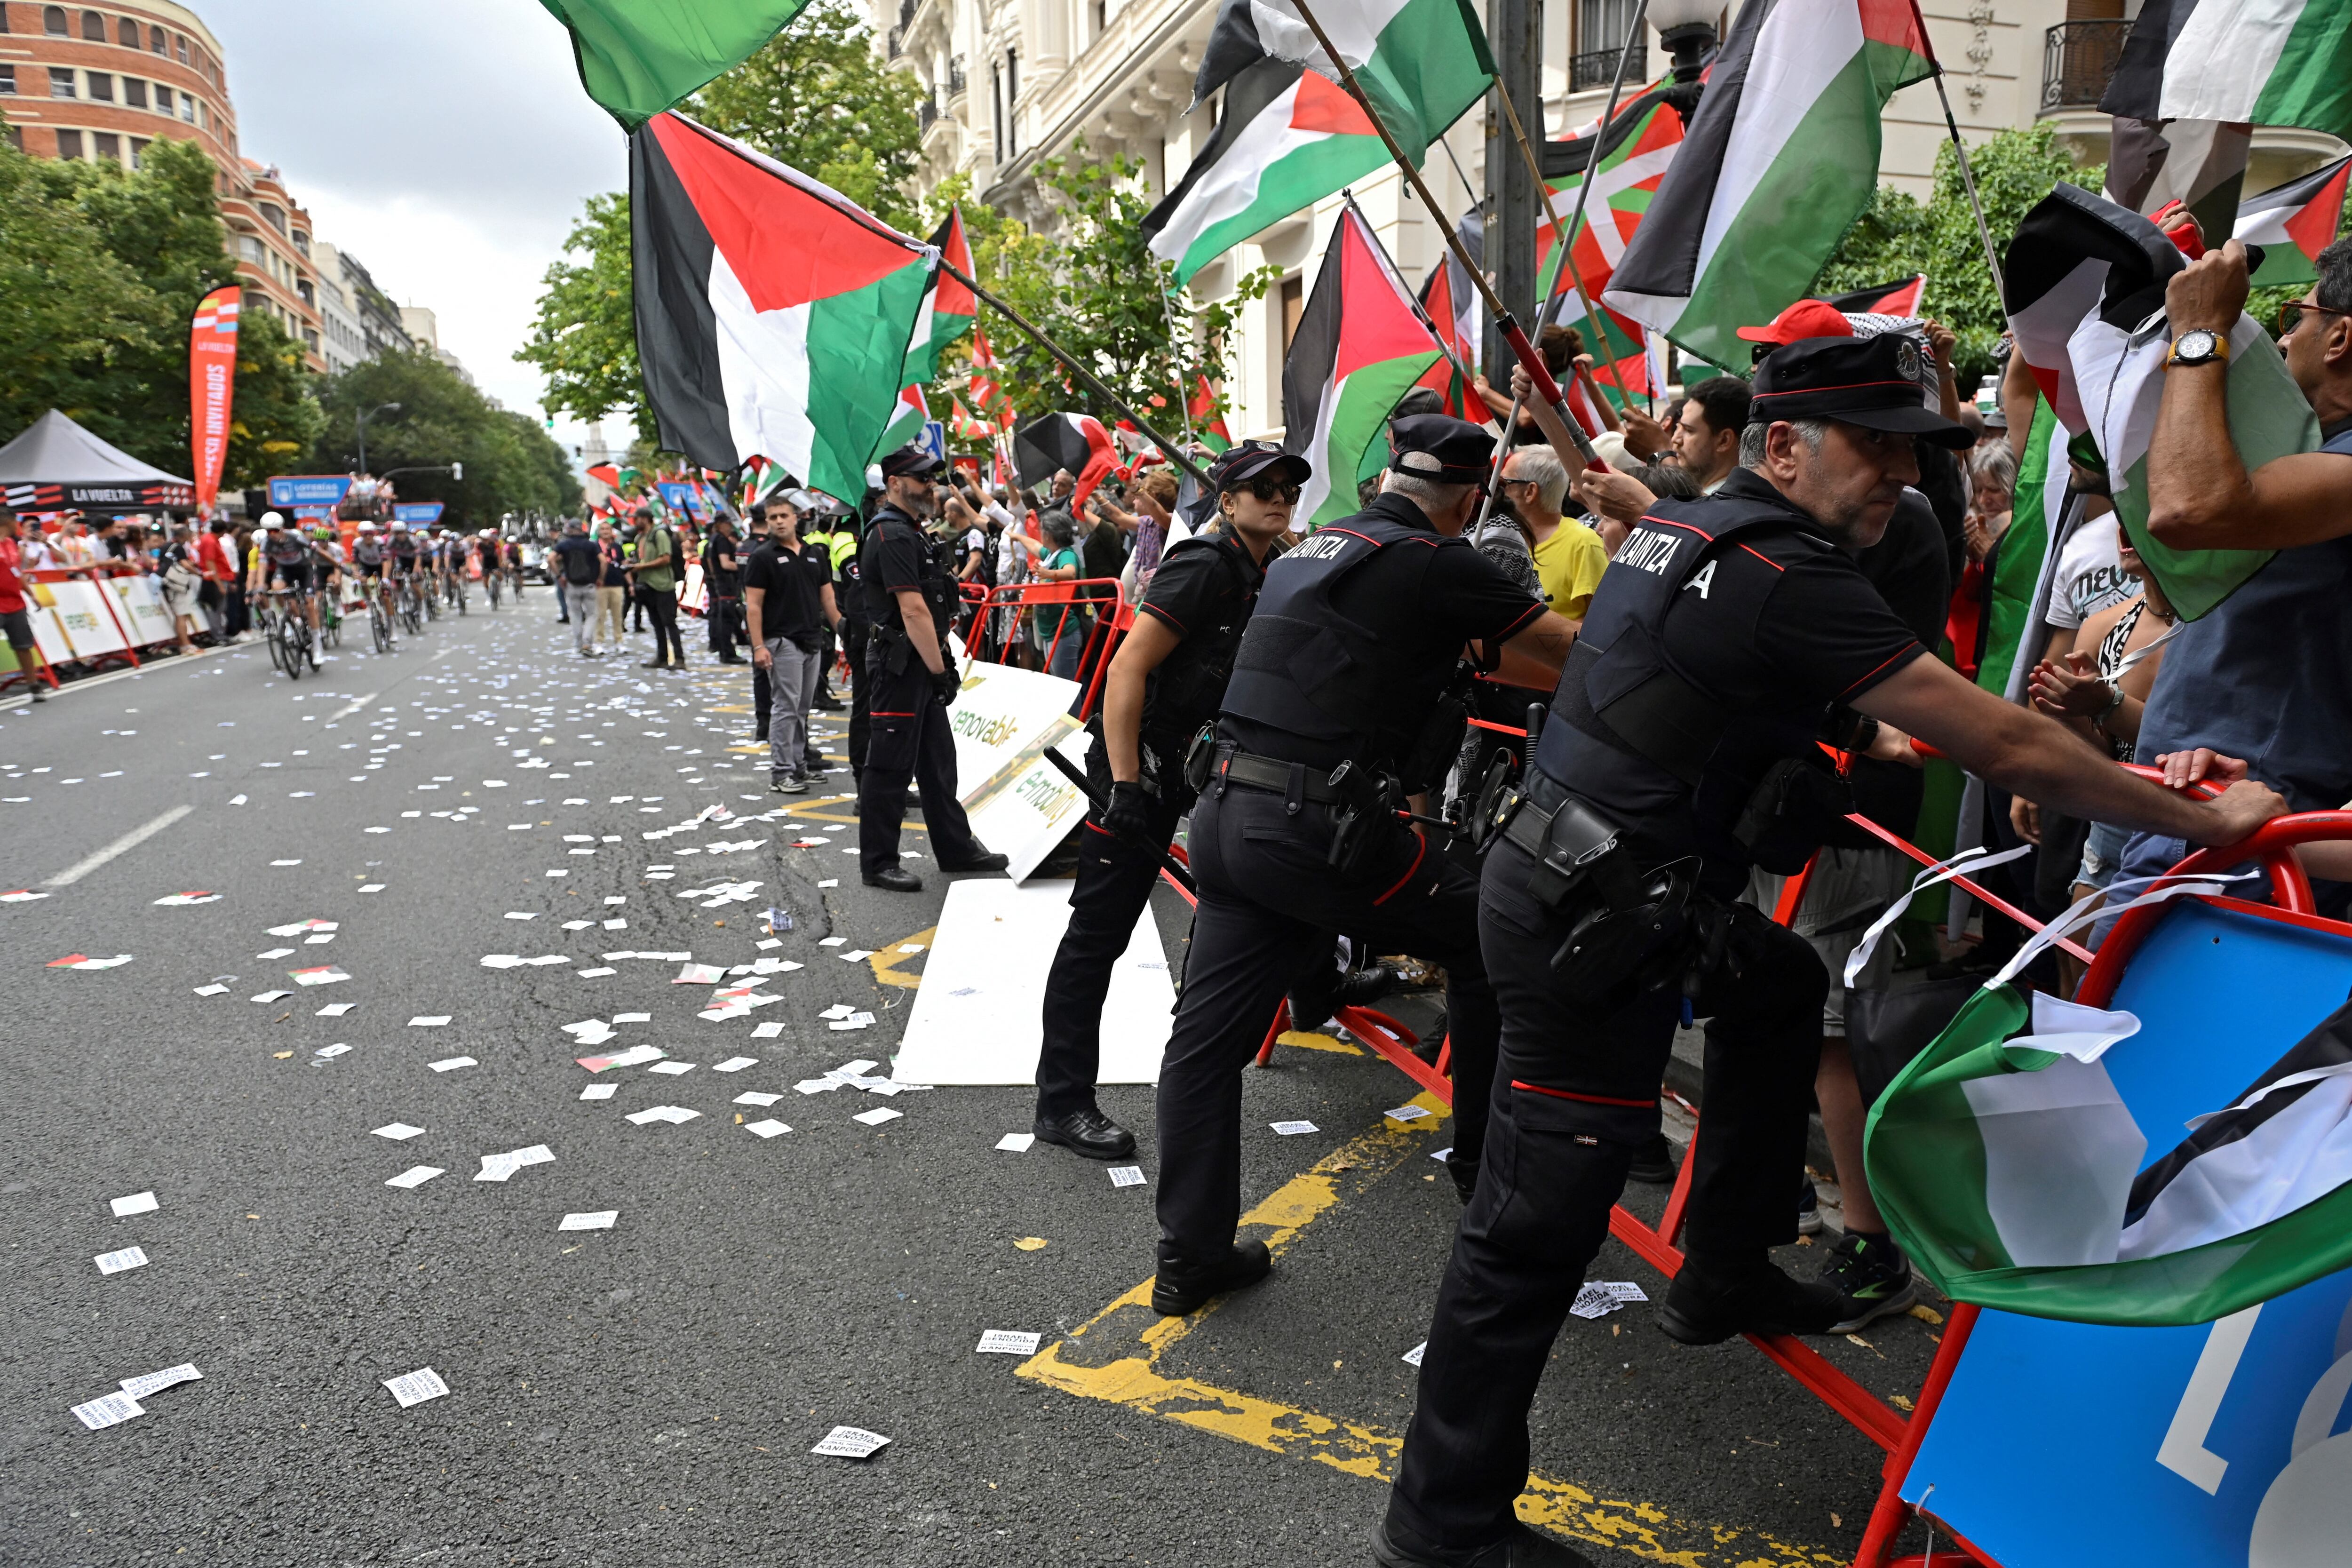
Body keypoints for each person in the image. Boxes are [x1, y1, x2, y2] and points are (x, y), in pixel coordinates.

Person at [1371, 334, 2287, 1568]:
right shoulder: (1782, 566)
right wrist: (2201, 815)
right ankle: (1443, 1522)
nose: (1900, 479)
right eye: (1874, 446)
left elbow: (1693, 681)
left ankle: (1728, 1264)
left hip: (1603, 884)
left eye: (1915, 453)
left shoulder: (1686, 528)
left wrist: (1828, 751)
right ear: (1786, 445)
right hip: (1594, 921)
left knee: (1781, 983)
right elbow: (2003, 745)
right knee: (1534, 1222)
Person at [1150, 413, 1580, 1319]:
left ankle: (1189, 1255)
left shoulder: (1316, 548)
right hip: (1316, 831)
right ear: (1468, 500)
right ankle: (1484, 1176)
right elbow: (1570, 654)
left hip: (1226, 816)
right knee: (1489, 925)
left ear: (1389, 477)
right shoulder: (1439, 558)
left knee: (1202, 1045)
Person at [1034, 443, 1297, 1162]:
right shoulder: (1204, 566)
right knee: (1098, 936)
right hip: (1140, 764)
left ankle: (1315, 985)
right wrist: (1124, 783)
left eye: (1287, 489)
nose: (1278, 498)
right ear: (1228, 501)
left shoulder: (1266, 567)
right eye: (1261, 488)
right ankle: (1061, 1103)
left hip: (1199, 767)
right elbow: (1127, 667)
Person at [2117, 235, 2352, 903]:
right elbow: (2181, 571)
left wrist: (2200, 331)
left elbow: (2188, 512)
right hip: (2198, 811)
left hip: (2257, 841)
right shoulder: (2308, 453)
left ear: (2339, 339)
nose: (2281, 342)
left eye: (2294, 318)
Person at [857, 446, 1010, 890]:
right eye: (921, 478)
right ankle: (879, 862)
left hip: (921, 664)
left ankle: (956, 848)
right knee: (888, 768)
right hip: (900, 667)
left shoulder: (913, 531)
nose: (931, 486)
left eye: (931, 478)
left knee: (938, 763)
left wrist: (940, 666)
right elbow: (913, 611)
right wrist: (939, 669)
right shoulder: (892, 534)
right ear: (894, 484)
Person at [746, 494, 839, 794]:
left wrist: (845, 633)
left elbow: (828, 599)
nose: (779, 522)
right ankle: (782, 772)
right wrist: (759, 646)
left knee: (801, 709)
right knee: (786, 708)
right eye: (773, 518)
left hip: (812, 639)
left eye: (784, 516)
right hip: (782, 641)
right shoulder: (762, 557)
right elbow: (754, 606)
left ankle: (799, 766)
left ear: (796, 517)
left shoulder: (814, 553)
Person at [1497, 444, 1607, 620]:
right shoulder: (1497, 540)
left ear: (1530, 492)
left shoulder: (1583, 544)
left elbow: (1601, 625)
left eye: (1504, 483)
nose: (1497, 490)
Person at [0, 510, 52, 700]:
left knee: (24, 646)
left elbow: (17, 573)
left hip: (16, 604)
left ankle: (34, 686)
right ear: (8, 522)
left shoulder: (11, 544)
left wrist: (31, 595)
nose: (18, 526)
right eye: (16, 522)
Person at [628, 512, 684, 668]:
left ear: (646, 519)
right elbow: (641, 559)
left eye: (637, 518)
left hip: (663, 585)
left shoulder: (659, 535)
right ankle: (662, 657)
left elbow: (666, 558)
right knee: (656, 623)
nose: (635, 522)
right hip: (647, 585)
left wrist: (641, 566)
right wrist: (633, 564)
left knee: (669, 622)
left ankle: (679, 658)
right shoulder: (639, 538)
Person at [552, 517, 603, 657]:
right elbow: (604, 562)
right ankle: (588, 643)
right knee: (592, 614)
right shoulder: (591, 545)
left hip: (572, 585)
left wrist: (559, 576)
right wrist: (600, 579)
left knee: (576, 614)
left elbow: (551, 559)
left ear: (569, 529)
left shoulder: (565, 545)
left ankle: (578, 644)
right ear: (582, 529)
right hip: (589, 585)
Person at [704, 514, 747, 663]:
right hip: (727, 584)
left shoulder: (714, 539)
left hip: (721, 583)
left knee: (723, 618)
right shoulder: (721, 540)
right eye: (728, 524)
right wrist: (745, 567)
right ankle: (728, 653)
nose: (730, 527)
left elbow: (711, 561)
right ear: (721, 524)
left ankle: (723, 649)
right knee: (727, 620)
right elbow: (726, 563)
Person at [594, 522, 629, 648]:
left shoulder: (617, 547)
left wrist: (631, 585)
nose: (605, 531)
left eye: (608, 529)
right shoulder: (595, 547)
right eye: (602, 529)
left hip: (617, 585)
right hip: (600, 586)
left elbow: (624, 566)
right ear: (599, 532)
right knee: (600, 616)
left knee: (618, 616)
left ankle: (619, 641)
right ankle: (599, 642)